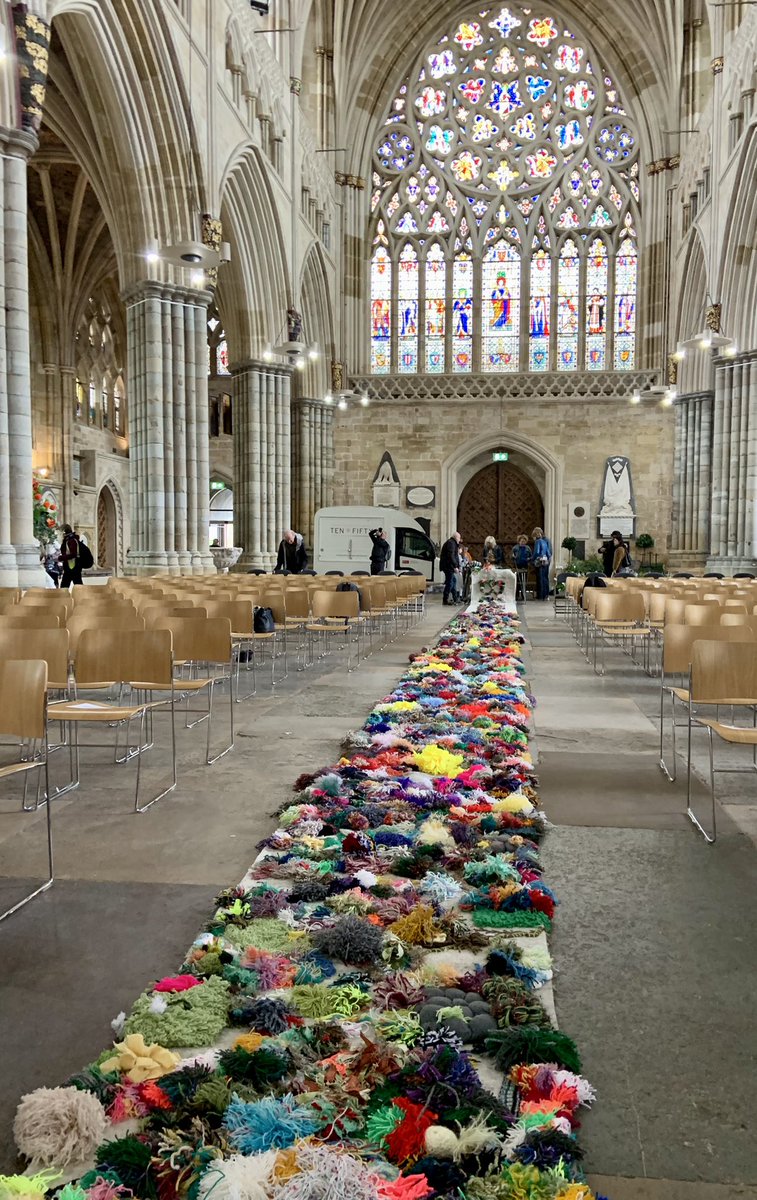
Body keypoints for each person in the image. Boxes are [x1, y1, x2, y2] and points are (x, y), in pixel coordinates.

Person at [439, 531, 462, 605]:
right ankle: (445, 599)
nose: (460, 539)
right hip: (448, 566)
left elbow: (454, 556)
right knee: (450, 583)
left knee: (453, 581)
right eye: (459, 538)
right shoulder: (451, 543)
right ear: (456, 537)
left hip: (449, 566)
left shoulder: (453, 543)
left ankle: (455, 598)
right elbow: (451, 556)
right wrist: (455, 566)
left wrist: (457, 566)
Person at [532, 526, 552, 600]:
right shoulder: (545, 541)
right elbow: (548, 553)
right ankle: (545, 595)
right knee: (545, 578)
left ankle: (540, 596)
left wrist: (531, 558)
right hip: (545, 561)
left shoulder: (538, 541)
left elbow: (536, 552)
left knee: (540, 578)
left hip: (539, 562)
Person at [60, 523, 83, 587]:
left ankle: (82, 596)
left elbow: (73, 554)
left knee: (77, 586)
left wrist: (60, 558)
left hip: (73, 566)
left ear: (64, 532)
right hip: (70, 566)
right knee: (66, 586)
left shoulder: (71, 541)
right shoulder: (68, 540)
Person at [512, 534, 532, 601]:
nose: (522, 542)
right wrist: (513, 557)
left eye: (524, 541)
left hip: (525, 565)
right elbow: (512, 556)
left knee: (524, 581)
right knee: (517, 581)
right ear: (519, 541)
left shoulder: (528, 548)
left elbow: (531, 556)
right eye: (521, 541)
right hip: (518, 566)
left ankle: (523, 595)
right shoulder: (515, 548)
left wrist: (529, 559)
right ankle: (517, 595)